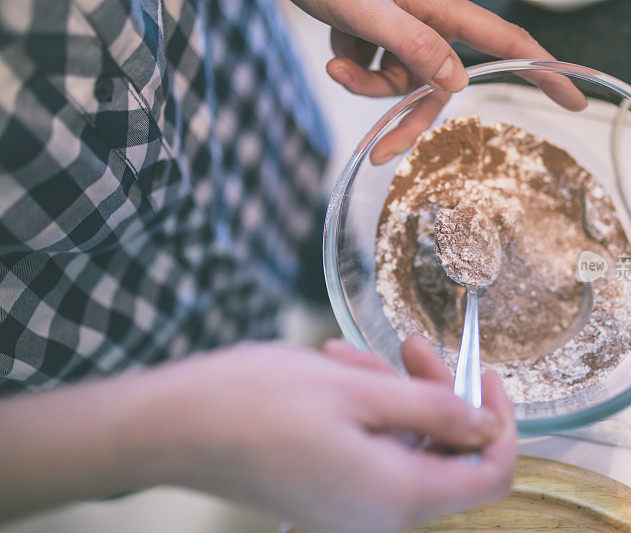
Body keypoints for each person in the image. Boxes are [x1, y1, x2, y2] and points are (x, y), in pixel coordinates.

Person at [0, 0, 584, 530]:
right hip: (97, 354)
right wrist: (170, 432)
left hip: (232, 110)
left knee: (311, 234)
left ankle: (319, 283)